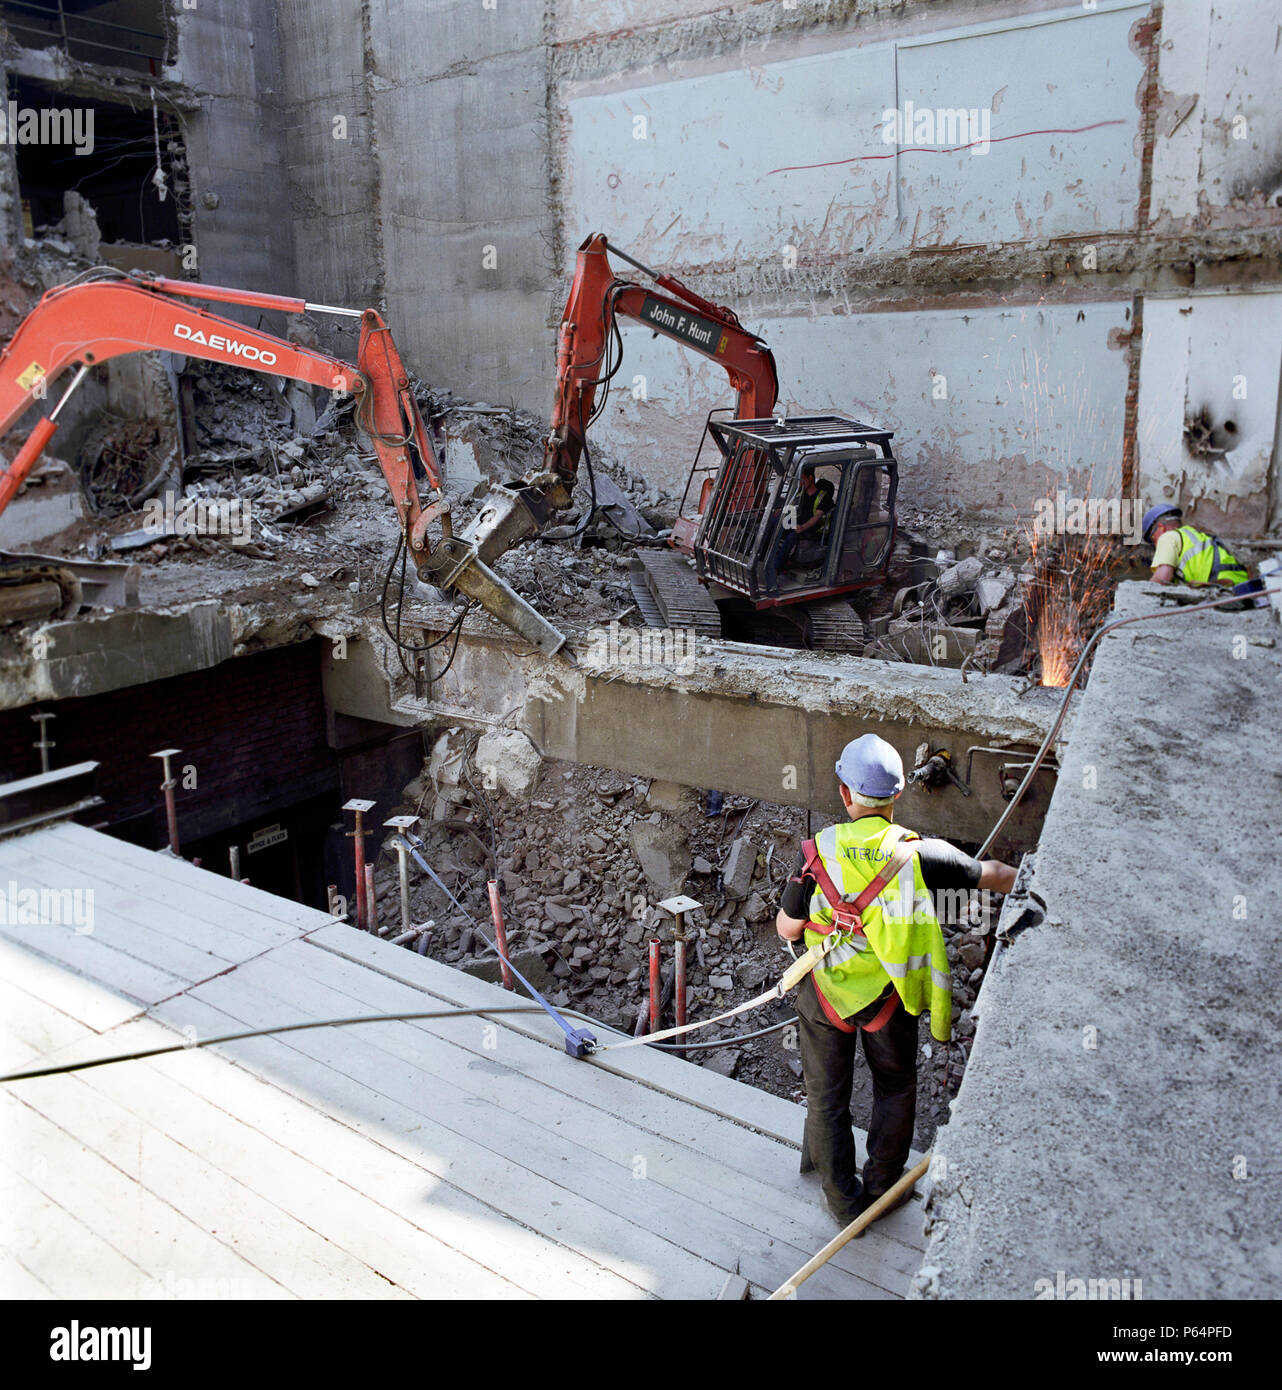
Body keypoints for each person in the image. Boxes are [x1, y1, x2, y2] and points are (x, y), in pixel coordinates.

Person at [776, 734, 1016, 1228]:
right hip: (889, 997)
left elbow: (788, 929)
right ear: (898, 794)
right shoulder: (921, 855)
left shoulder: (816, 852)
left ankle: (843, 1201)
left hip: (825, 995)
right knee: (895, 1087)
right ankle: (883, 1187)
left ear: (845, 793)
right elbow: (993, 874)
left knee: (826, 1098)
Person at [1142, 503, 1264, 602]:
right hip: (1243, 586)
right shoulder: (1194, 535)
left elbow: (1163, 577)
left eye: (1153, 539)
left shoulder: (1167, 537)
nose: (1155, 544)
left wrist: (1141, 592)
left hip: (1227, 591)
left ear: (1161, 528)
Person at [764, 462, 834, 592]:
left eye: (802, 479)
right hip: (797, 523)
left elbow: (816, 517)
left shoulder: (824, 498)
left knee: (792, 537)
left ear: (810, 478)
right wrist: (782, 510)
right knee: (774, 522)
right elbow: (792, 504)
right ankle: (762, 557)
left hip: (812, 529)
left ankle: (776, 569)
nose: (800, 483)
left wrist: (802, 527)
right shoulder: (801, 492)